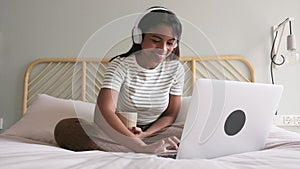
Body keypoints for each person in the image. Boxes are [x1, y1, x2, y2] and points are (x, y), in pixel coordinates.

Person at [54, 6, 184, 155]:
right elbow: (105, 111)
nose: (163, 48)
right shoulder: (120, 65)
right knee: (66, 128)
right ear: (138, 37)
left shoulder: (176, 69)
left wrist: (144, 135)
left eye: (170, 43)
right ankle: (143, 149)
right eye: (156, 40)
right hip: (117, 131)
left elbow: (170, 115)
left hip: (153, 133)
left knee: (192, 130)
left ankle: (144, 147)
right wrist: (138, 144)